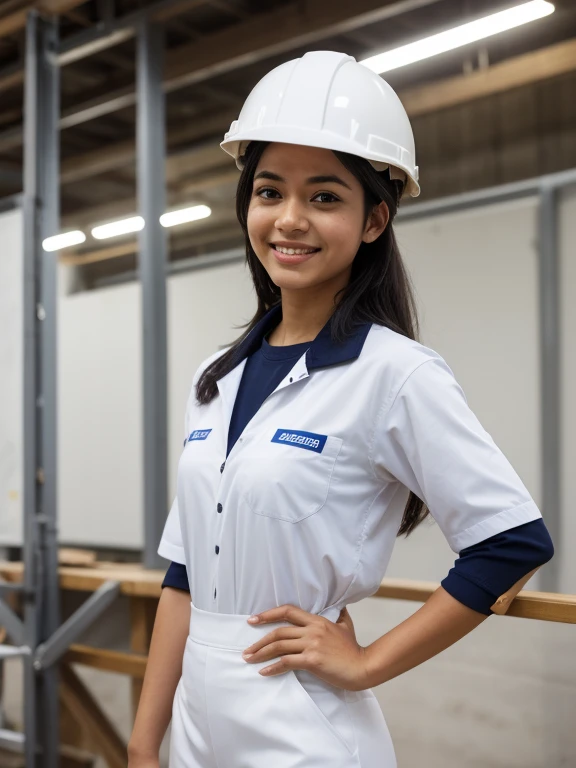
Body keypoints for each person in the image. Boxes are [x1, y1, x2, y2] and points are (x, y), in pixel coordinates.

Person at [127, 51, 554, 768]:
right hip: (197, 730)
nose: (289, 219)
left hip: (304, 732)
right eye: (270, 192)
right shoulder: (214, 378)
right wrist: (143, 746)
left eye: (324, 197)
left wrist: (366, 663)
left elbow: (511, 543)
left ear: (373, 220)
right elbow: (183, 576)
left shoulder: (394, 374)